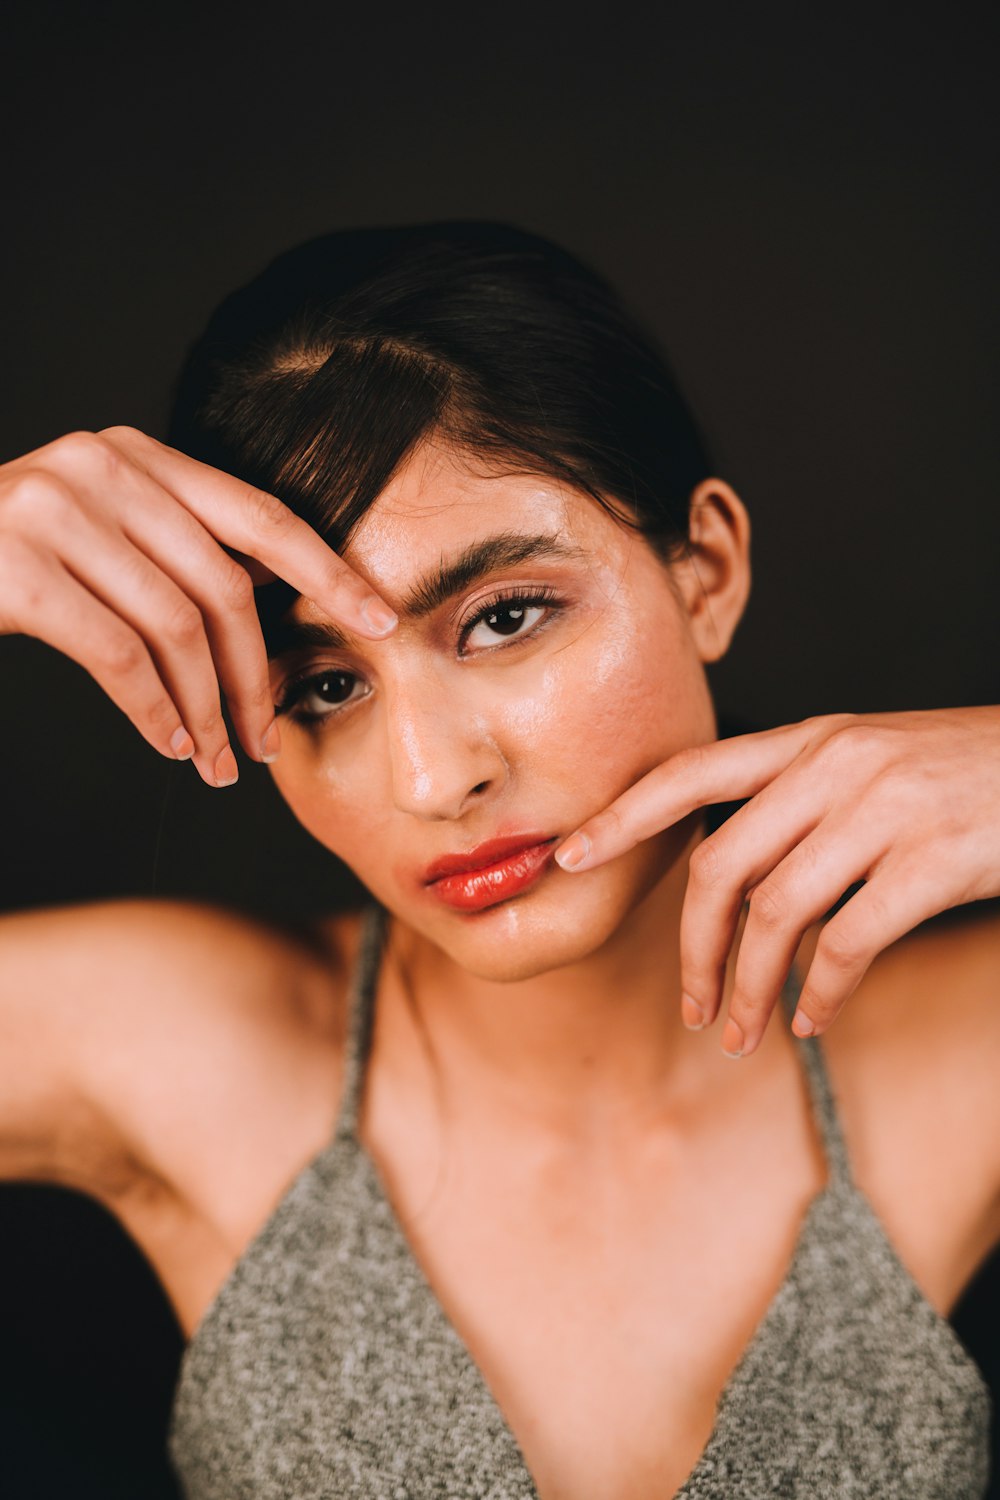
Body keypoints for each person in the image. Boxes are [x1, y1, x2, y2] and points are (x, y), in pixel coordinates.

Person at [0, 222, 998, 1499]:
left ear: (707, 572)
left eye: (504, 617)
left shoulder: (951, 1049)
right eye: (324, 686)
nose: (433, 779)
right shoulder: (195, 1054)